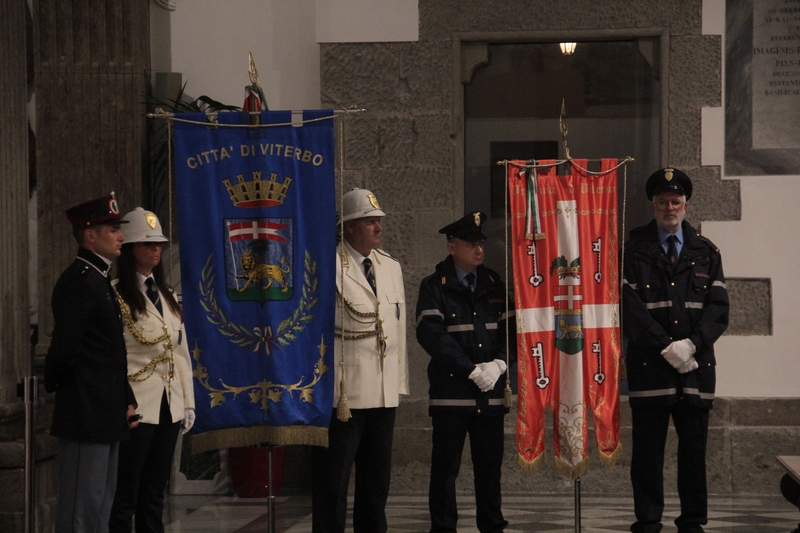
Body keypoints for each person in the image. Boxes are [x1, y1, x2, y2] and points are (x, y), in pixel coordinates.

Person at [622, 168, 729, 533]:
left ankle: (693, 521)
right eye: (663, 201)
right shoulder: (634, 250)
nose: (670, 207)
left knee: (694, 453)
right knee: (648, 454)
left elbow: (718, 310)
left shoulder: (707, 251)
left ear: (686, 205)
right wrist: (666, 345)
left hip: (696, 368)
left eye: (676, 201)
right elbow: (629, 308)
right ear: (653, 205)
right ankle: (648, 520)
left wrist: (691, 345)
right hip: (651, 367)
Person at [311, 188, 409, 533]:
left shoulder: (390, 267)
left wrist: (398, 384)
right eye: (369, 221)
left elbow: (396, 333)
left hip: (382, 392)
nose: (378, 226)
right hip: (345, 394)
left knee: (376, 481)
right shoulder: (328, 266)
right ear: (349, 227)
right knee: (333, 480)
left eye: (378, 220)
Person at [44, 193, 140, 533]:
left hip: (105, 408)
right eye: (113, 229)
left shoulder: (98, 279)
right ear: (90, 235)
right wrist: (55, 384)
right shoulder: (80, 281)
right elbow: (66, 347)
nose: (121, 236)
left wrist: (125, 397)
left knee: (101, 502)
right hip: (86, 409)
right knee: (81, 509)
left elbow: (110, 351)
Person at [416, 211, 515, 533]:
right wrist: (471, 371)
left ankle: (492, 526)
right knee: (445, 469)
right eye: (471, 244)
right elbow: (432, 335)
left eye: (481, 243)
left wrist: (500, 364)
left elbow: (511, 332)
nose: (479, 249)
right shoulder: (434, 286)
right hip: (451, 394)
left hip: (490, 394)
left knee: (490, 468)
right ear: (452, 247)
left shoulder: (494, 284)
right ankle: (443, 528)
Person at [108, 208, 195, 533]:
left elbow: (180, 353)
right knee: (126, 493)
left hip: (167, 405)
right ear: (129, 249)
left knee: (154, 493)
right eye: (147, 244)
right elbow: (115, 355)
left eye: (158, 243)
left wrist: (187, 402)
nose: (156, 249)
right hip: (137, 405)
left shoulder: (166, 295)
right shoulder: (115, 294)